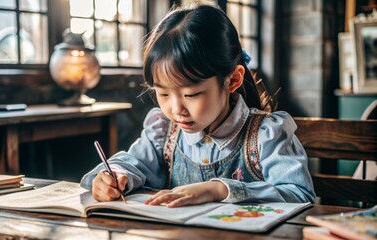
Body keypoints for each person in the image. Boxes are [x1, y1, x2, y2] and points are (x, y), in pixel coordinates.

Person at [80, 4, 316, 207]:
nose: (176, 109)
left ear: (233, 80)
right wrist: (116, 177)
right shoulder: (164, 133)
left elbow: (299, 196)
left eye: (191, 95)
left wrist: (219, 190)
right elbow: (134, 163)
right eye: (163, 94)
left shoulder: (266, 135)